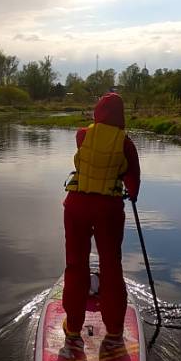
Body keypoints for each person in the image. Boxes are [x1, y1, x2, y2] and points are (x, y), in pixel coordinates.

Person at [62, 91, 141, 344]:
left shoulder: (82, 135)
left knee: (76, 264)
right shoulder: (126, 144)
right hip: (108, 210)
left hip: (77, 206)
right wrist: (131, 193)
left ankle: (73, 326)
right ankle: (114, 328)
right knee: (111, 265)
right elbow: (133, 184)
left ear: (98, 112)